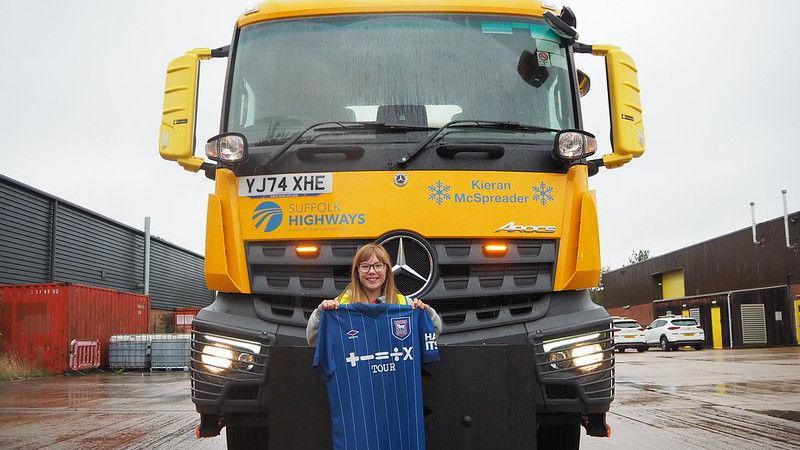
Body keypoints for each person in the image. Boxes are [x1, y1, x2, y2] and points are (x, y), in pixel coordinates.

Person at [306, 243, 442, 346]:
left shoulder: (403, 303)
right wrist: (321, 313)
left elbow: (433, 334)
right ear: (357, 271)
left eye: (378, 265)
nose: (372, 271)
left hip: (393, 379)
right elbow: (313, 340)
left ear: (387, 270)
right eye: (365, 266)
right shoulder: (340, 304)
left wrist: (427, 313)